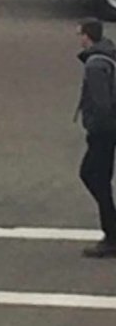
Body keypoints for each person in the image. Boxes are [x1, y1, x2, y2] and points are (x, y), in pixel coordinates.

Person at [75, 19, 116, 258]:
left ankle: (112, 233)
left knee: (92, 175)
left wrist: (95, 128)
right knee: (98, 177)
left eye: (80, 34)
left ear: (87, 36)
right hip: (108, 131)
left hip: (103, 132)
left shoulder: (94, 65)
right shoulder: (108, 54)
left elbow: (102, 103)